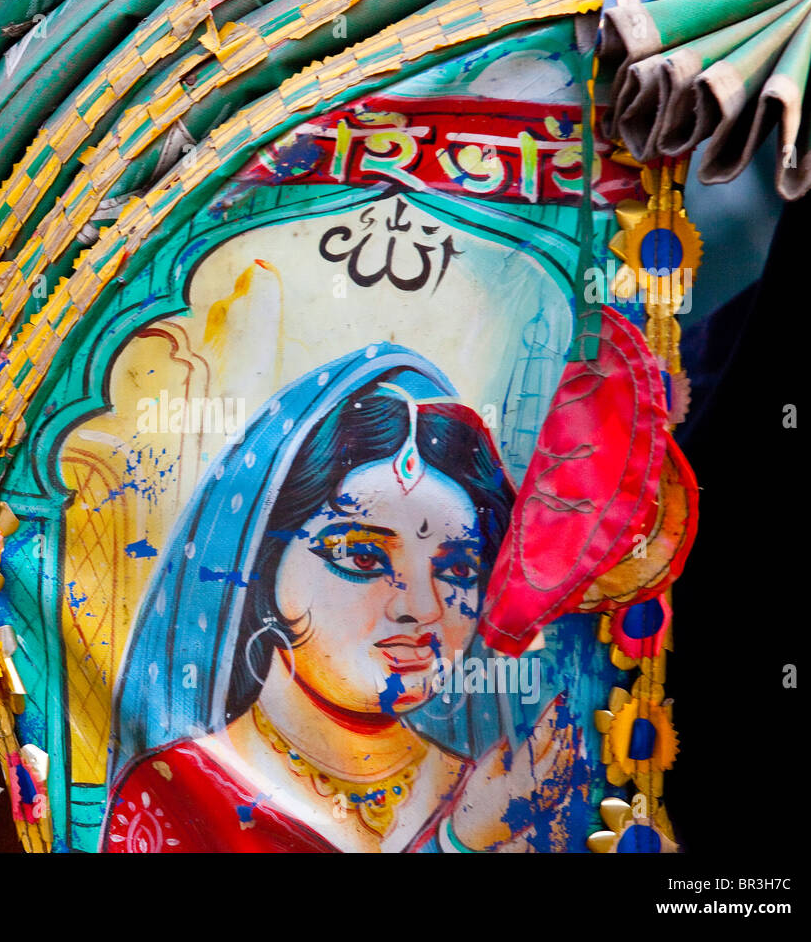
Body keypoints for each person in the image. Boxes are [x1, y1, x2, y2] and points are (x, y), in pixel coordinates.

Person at [104, 344, 581, 852]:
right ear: (261, 571)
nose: (421, 608)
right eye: (363, 557)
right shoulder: (178, 793)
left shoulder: (486, 791)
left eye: (457, 569)